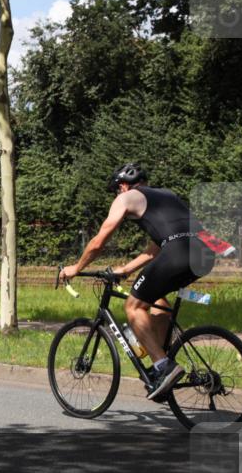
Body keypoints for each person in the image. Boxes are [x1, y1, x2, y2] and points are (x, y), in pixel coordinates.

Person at [59, 163, 227, 400]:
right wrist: (126, 269)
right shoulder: (167, 196)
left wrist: (76, 268)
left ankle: (163, 366)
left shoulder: (126, 198)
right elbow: (155, 248)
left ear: (123, 186)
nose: (117, 195)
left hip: (178, 252)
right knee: (156, 300)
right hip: (204, 253)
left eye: (117, 190)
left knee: (133, 306)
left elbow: (99, 241)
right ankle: (163, 358)